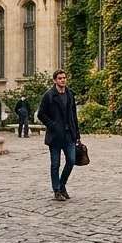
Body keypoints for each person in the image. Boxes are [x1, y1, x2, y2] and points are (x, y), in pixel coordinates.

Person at [37, 70, 81, 202]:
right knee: (55, 164)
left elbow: (74, 115)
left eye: (64, 78)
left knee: (72, 160)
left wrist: (77, 134)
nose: (63, 80)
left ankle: (62, 185)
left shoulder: (70, 94)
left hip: (69, 134)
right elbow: (41, 114)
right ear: (55, 80)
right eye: (60, 78)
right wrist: (52, 125)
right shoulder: (49, 95)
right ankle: (56, 190)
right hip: (55, 135)